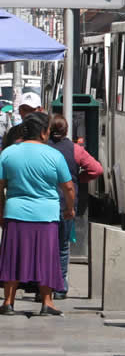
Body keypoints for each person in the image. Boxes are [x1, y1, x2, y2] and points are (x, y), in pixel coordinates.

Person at [0, 112, 75, 316]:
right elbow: (68, 187)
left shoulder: (7, 154)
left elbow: (0, 187)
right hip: (46, 215)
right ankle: (46, 302)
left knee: (13, 257)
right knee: (46, 258)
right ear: (43, 132)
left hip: (15, 213)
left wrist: (1, 210)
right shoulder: (54, 155)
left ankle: (8, 301)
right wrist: (70, 208)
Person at [47, 114, 103, 299]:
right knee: (62, 247)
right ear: (66, 130)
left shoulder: (42, 148)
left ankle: (44, 287)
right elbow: (96, 169)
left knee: (45, 248)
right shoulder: (75, 150)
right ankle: (61, 287)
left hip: (44, 203)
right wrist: (79, 178)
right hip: (66, 203)